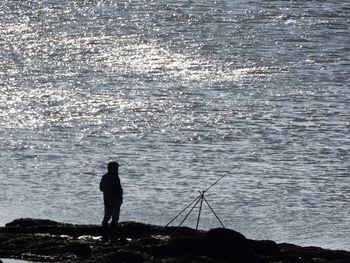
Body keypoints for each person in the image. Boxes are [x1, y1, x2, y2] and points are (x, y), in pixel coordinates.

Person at [100, 161, 123, 241]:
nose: (117, 169)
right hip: (115, 202)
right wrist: (120, 198)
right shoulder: (115, 177)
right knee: (115, 219)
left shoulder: (104, 177)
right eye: (116, 168)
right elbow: (118, 190)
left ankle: (104, 234)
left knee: (106, 217)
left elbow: (101, 188)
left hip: (107, 201)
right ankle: (113, 236)